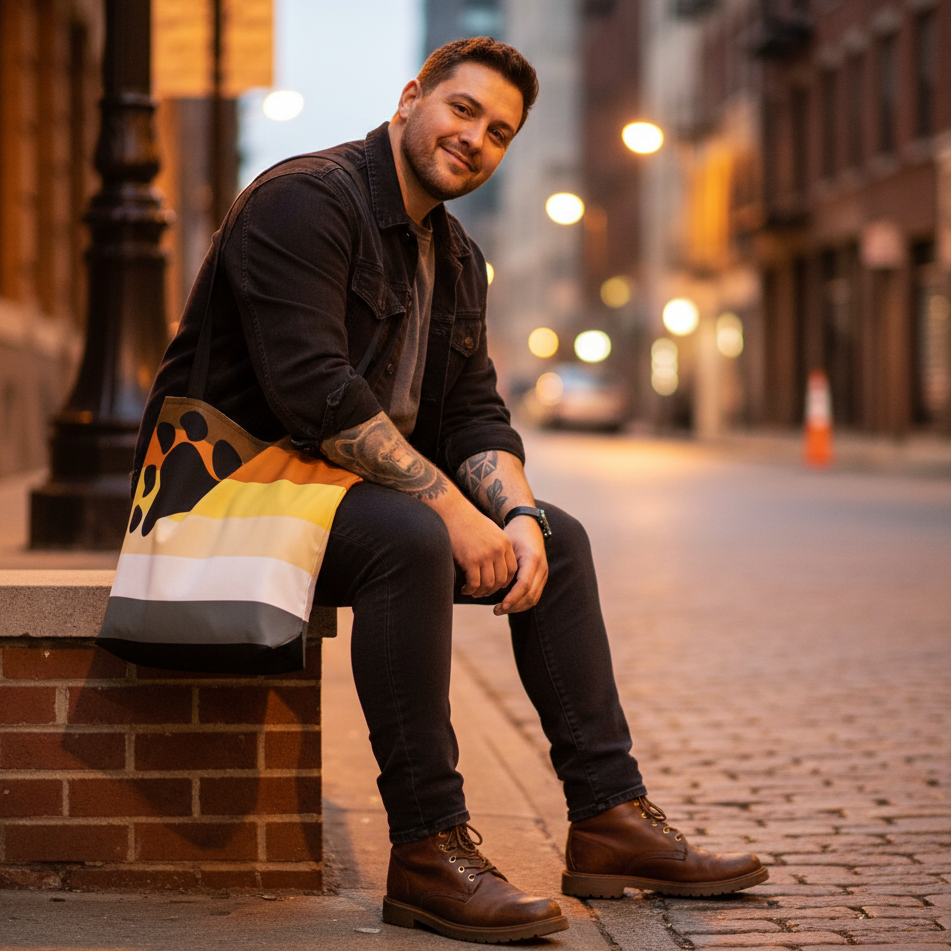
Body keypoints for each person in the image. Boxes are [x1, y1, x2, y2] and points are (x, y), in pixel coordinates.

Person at [135, 37, 767, 944]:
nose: (476, 139)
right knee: (413, 537)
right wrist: (450, 510)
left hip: (324, 499)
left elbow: (474, 412)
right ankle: (428, 847)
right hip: (220, 497)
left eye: (500, 132)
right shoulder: (304, 202)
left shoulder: (456, 256)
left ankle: (608, 819)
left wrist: (511, 514)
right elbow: (315, 392)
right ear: (408, 100)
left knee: (558, 532)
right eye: (462, 110)